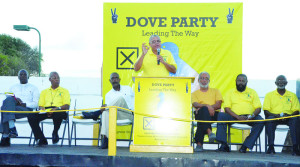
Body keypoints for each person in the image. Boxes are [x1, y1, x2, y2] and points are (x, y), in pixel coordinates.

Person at [82, 72, 134, 149]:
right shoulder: (108, 94)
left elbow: (136, 100)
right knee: (105, 112)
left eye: (116, 78)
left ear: (119, 79)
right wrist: (104, 108)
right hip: (118, 115)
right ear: (110, 81)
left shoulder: (128, 88)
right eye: (112, 78)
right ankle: (106, 138)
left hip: (129, 114)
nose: (114, 80)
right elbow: (109, 109)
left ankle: (96, 113)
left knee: (120, 99)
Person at [216, 74, 264, 153]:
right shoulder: (230, 92)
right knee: (221, 115)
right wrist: (237, 117)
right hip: (233, 116)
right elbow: (226, 108)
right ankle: (224, 145)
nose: (241, 83)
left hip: (249, 117)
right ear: (235, 81)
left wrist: (251, 116)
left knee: (260, 121)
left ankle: (245, 146)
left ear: (246, 82)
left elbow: (258, 108)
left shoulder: (252, 92)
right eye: (239, 81)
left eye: (243, 81)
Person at [28, 72, 70, 146]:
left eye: (58, 78)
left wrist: (56, 108)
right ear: (49, 79)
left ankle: (55, 132)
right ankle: (41, 139)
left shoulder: (65, 91)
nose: (57, 79)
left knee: (58, 113)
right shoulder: (44, 92)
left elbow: (67, 105)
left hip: (59, 110)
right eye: (54, 78)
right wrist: (43, 109)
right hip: (46, 110)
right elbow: (40, 105)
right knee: (31, 116)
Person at [0, 69, 39, 146]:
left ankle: (5, 136)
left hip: (26, 110)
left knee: (4, 109)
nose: (23, 76)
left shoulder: (33, 88)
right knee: (8, 99)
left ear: (28, 76)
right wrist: (15, 99)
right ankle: (12, 129)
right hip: (14, 109)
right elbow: (8, 100)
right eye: (21, 75)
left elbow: (36, 104)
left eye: (24, 74)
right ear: (18, 77)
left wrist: (25, 104)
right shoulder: (13, 87)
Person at [263, 75, 300, 155]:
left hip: (289, 117)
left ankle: (295, 148)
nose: (281, 82)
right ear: (275, 83)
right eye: (279, 80)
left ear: (286, 83)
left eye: (283, 80)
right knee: (269, 120)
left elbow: (297, 110)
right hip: (274, 116)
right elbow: (266, 111)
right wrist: (276, 116)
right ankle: (271, 147)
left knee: (296, 120)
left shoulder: (292, 95)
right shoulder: (269, 95)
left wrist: (288, 116)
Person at [191, 71, 223, 152]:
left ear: (209, 81)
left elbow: (219, 105)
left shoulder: (216, 91)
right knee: (203, 112)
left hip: (214, 114)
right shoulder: (194, 94)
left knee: (202, 116)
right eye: (202, 78)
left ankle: (199, 144)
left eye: (206, 78)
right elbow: (195, 104)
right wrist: (207, 107)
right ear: (198, 80)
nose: (204, 80)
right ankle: (209, 132)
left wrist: (208, 107)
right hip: (201, 114)